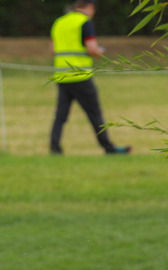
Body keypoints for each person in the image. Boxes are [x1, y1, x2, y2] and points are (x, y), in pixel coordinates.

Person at [49, 0, 131, 155]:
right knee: (95, 114)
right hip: (81, 76)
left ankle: (55, 148)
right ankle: (108, 147)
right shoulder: (84, 22)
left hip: (62, 76)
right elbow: (92, 49)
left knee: (60, 116)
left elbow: (52, 50)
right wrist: (102, 51)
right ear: (90, 7)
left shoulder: (59, 22)